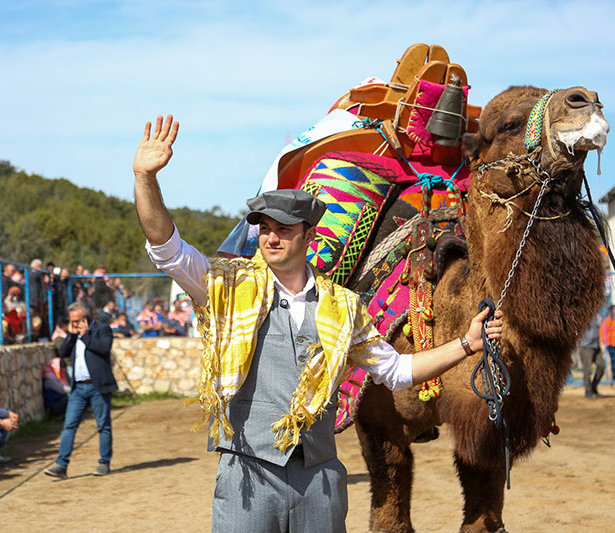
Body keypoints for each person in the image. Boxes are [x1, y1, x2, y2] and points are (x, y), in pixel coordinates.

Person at [133, 116, 503, 531]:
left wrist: (467, 344)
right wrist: (146, 178)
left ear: (309, 236)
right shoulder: (228, 288)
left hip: (320, 480)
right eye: (265, 229)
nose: (271, 239)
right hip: (248, 477)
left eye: (283, 230)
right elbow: (167, 249)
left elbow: (397, 372)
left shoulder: (343, 307)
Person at [44, 301, 117, 479]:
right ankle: (61, 465)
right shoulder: (74, 333)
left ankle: (104, 463)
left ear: (87, 316)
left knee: (103, 425)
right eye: (72, 320)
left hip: (97, 385)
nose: (75, 323)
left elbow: (103, 348)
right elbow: (63, 352)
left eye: (77, 320)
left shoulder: (102, 329)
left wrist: (84, 336)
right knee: (69, 425)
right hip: (78, 387)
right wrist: (71, 334)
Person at [579, 313, 604, 399]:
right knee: (587, 371)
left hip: (596, 345)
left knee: (602, 366)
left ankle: (593, 387)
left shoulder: (598, 315)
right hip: (586, 346)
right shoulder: (582, 314)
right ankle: (588, 392)